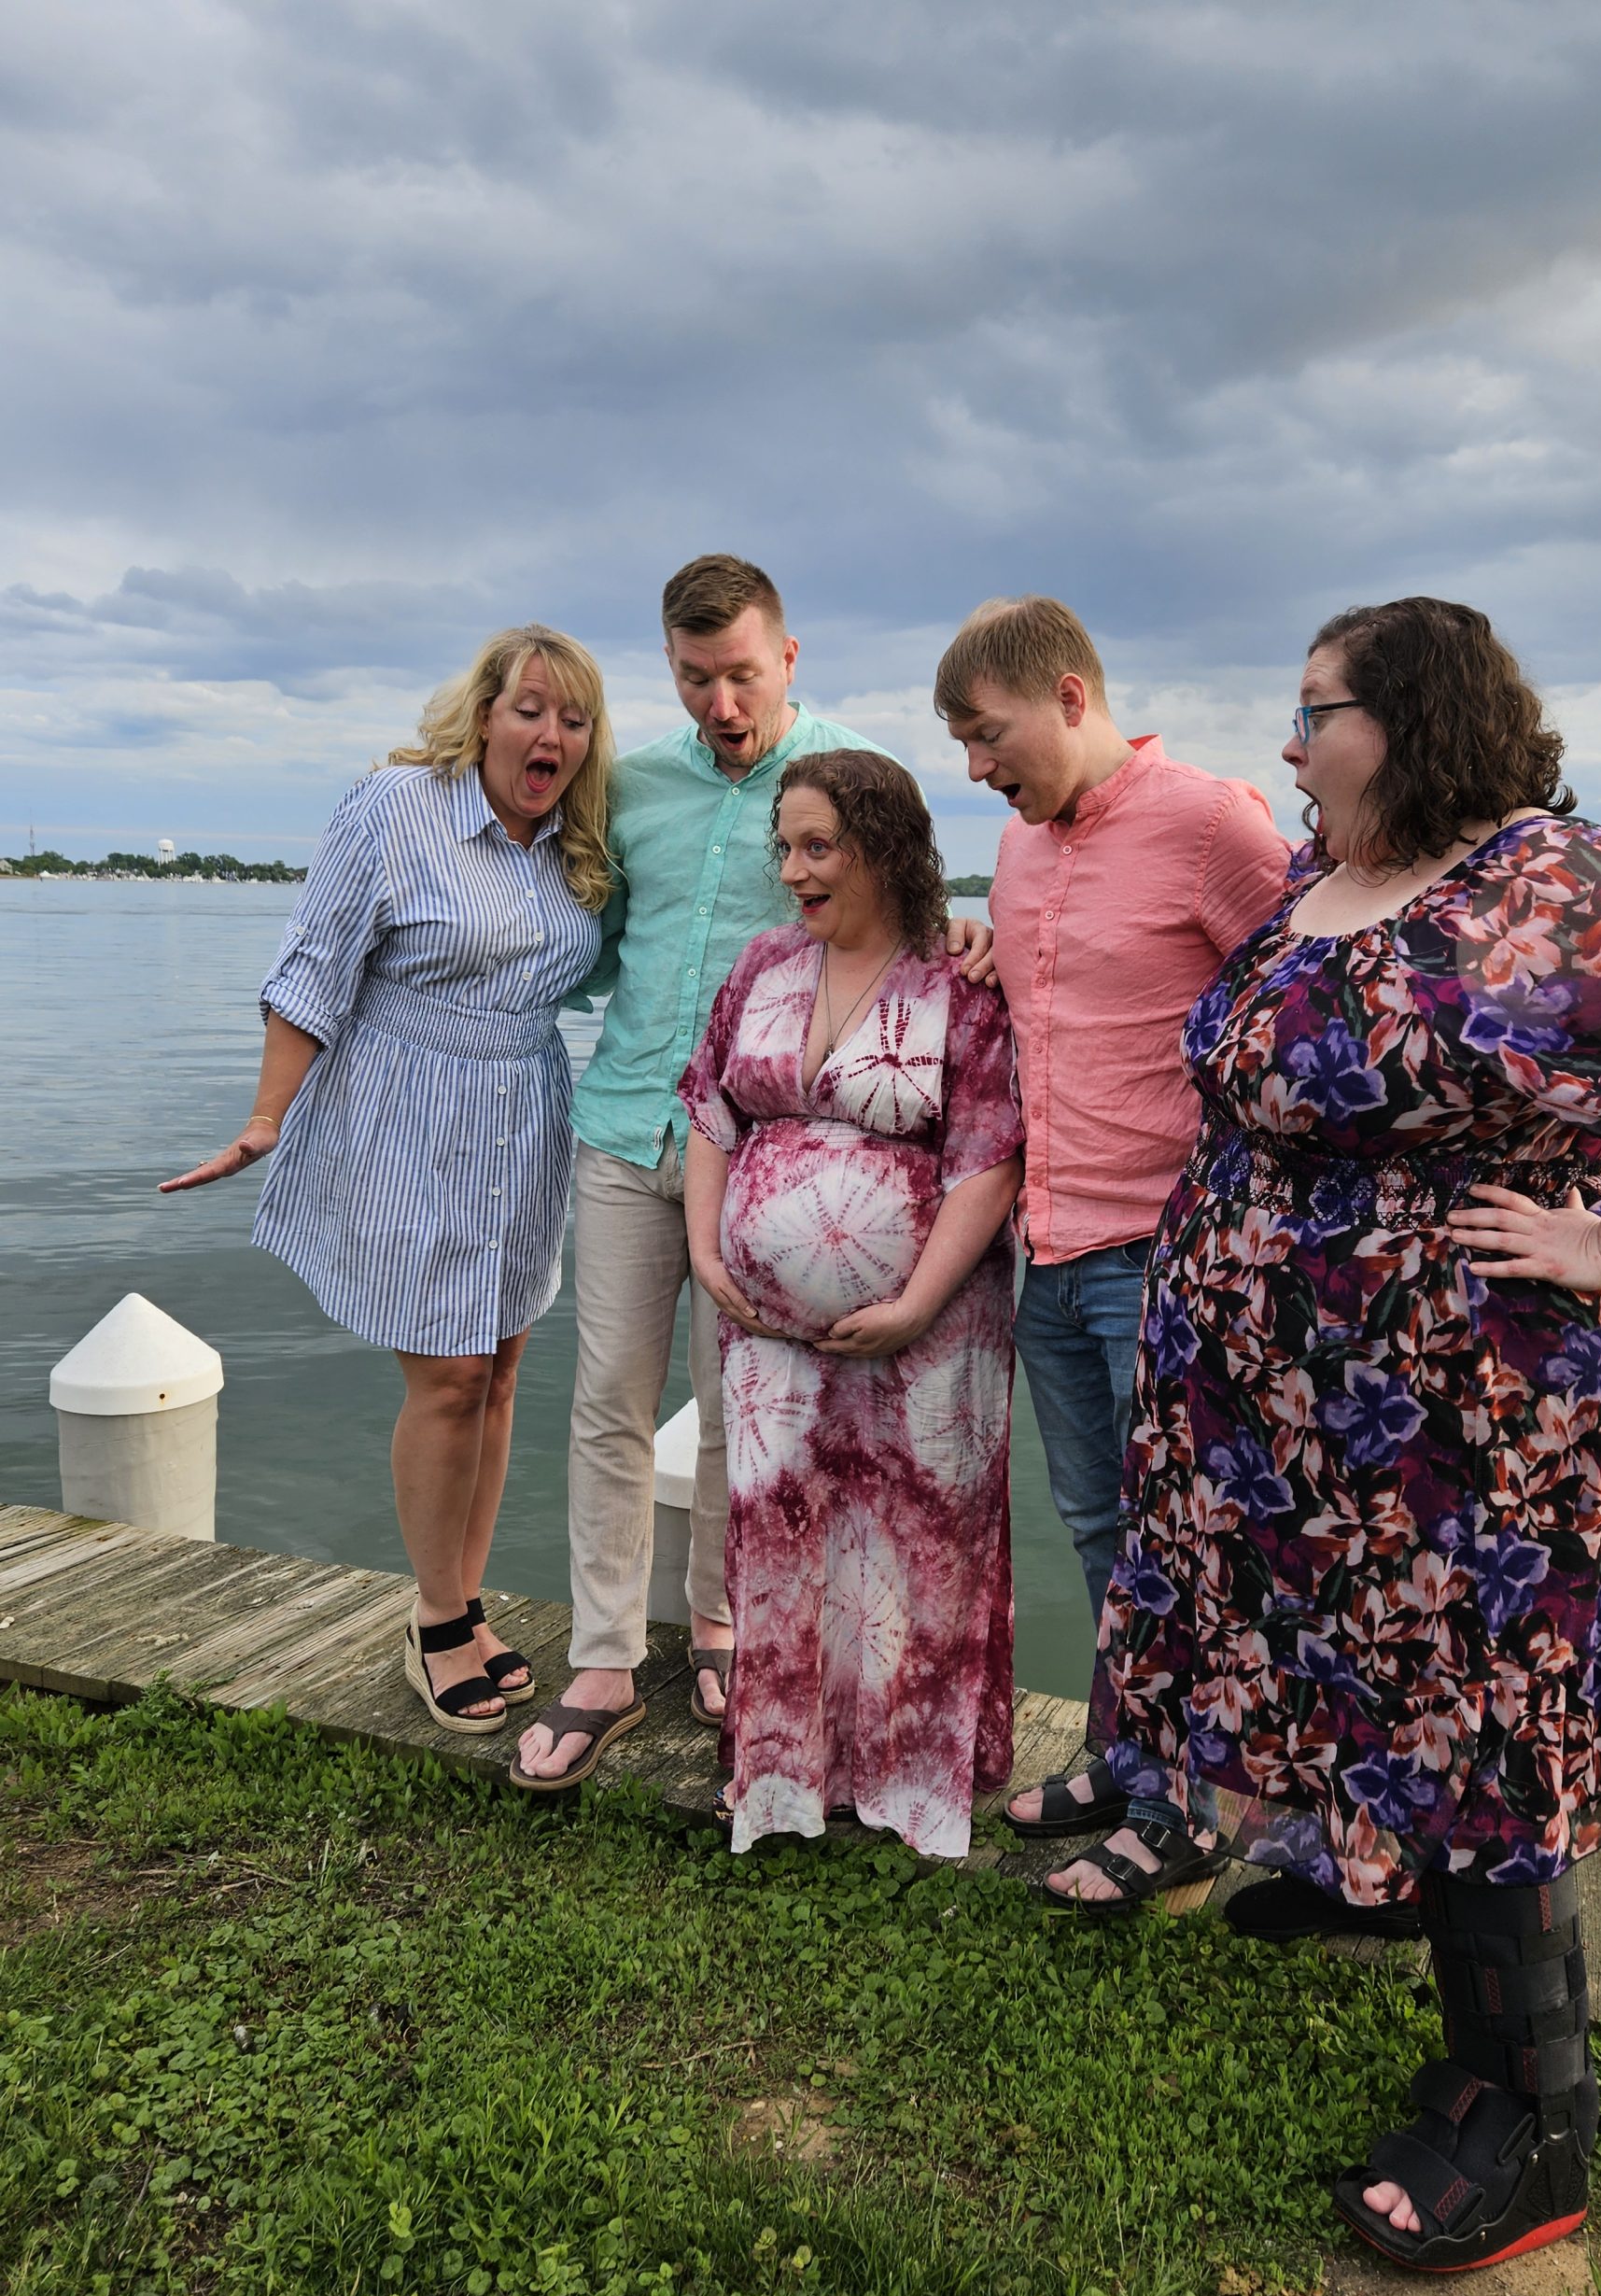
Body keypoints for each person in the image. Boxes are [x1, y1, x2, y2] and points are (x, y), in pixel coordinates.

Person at [1063, 596, 1601, 2271]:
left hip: (1470, 1425)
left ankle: (1530, 2121)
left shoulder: (1540, 883)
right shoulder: (1335, 877)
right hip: (1304, 1431)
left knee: (1481, 1720)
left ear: (1410, 717)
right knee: (1365, 1677)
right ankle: (1368, 1876)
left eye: (1314, 709)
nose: (1290, 743)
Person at [512, 556, 991, 1791]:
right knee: (608, 1401)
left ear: (787, 657)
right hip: (627, 1129)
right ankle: (605, 1660)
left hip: (758, 1158)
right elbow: (592, 947)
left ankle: (720, 1624)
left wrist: (970, 930)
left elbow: (909, 912)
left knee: (739, 1409)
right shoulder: (631, 783)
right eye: (691, 678)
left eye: (738, 675)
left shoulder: (850, 774)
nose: (718, 704)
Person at [161, 627, 614, 1734]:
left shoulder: (581, 838)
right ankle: (435, 1617)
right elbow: (314, 964)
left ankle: (461, 1602)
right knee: (449, 1376)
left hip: (524, 1118)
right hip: (406, 1115)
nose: (550, 735)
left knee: (500, 1369)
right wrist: (266, 1117)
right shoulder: (396, 807)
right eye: (530, 709)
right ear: (485, 712)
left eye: (573, 719)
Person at [934, 595, 1291, 1908]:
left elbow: (1305, 999)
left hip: (1166, 1252)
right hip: (1049, 1246)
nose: (978, 764)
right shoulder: (1016, 846)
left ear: (1070, 696)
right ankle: (1130, 1758)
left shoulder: (1212, 822)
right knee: (1101, 1526)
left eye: (988, 733)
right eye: (963, 745)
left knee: (1184, 1539)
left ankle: (1197, 1808)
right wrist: (974, 946)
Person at [679, 749, 1024, 1856]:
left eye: (818, 846)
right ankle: (788, 1772)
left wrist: (915, 1303)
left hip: (931, 1341)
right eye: (784, 846)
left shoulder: (956, 981)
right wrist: (707, 1255)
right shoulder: (762, 964)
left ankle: (910, 1773)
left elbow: (988, 1156)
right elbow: (710, 1115)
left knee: (917, 1548)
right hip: (768, 1339)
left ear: (883, 847)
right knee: (782, 1540)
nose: (793, 870)